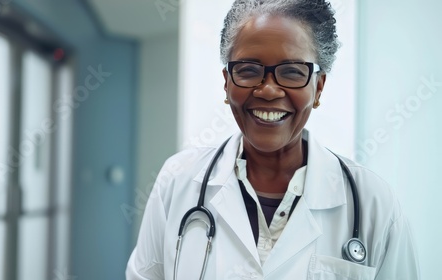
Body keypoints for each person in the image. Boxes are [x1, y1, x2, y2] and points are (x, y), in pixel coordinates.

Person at [126, 0, 419, 279]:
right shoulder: (177, 181)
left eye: (292, 72)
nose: (268, 90)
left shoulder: (374, 203)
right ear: (227, 83)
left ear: (318, 88)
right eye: (249, 70)